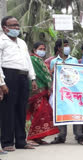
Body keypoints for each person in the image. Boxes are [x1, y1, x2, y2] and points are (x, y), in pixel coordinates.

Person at [0, 16, 38, 151]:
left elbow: (28, 60)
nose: (16, 28)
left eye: (17, 25)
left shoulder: (22, 42)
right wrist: (1, 82)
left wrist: (32, 78)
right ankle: (7, 142)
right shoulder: (1, 41)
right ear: (5, 28)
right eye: (13, 25)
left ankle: (21, 141)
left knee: (21, 109)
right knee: (7, 110)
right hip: (8, 75)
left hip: (23, 77)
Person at [50, 39, 83, 145]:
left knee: (75, 111)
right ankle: (61, 136)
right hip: (61, 91)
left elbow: (78, 74)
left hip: (74, 91)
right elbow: (52, 76)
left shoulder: (74, 60)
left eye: (67, 45)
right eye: (64, 46)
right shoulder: (54, 61)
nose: (67, 47)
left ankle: (79, 135)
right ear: (59, 48)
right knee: (61, 111)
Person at [26, 42, 59, 146]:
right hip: (36, 91)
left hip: (42, 92)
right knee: (40, 113)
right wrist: (50, 76)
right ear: (34, 49)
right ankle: (31, 137)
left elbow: (45, 73)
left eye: (44, 48)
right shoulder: (33, 59)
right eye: (41, 48)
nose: (43, 50)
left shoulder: (40, 60)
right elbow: (43, 74)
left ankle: (38, 137)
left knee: (46, 113)